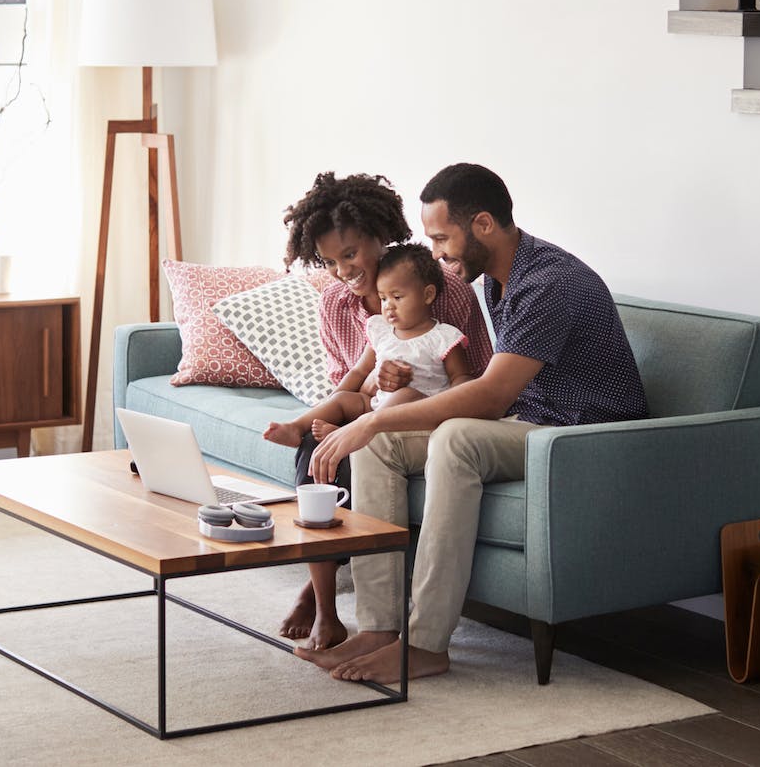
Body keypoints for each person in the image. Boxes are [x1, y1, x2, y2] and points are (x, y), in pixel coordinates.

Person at [299, 163, 648, 683]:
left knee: (453, 438)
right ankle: (379, 628)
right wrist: (374, 424)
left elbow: (489, 395)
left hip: (583, 435)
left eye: (442, 237)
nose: (435, 252)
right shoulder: (500, 281)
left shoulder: (549, 282)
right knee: (378, 446)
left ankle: (425, 645)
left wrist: (368, 422)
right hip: (532, 423)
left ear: (482, 224)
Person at [276, 173, 494, 652]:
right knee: (317, 449)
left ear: (380, 236)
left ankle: (319, 594)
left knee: (355, 444)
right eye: (330, 261)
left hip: (428, 412)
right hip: (367, 407)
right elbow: (347, 381)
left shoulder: (444, 290)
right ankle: (327, 611)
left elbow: (474, 377)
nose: (343, 271)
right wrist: (370, 390)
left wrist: (400, 389)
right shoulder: (334, 302)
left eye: (351, 254)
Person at [265, 244, 472, 447]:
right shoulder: (381, 329)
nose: (388, 306)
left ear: (428, 295)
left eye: (397, 297)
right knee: (344, 399)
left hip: (420, 411)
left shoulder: (443, 337)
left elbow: (460, 377)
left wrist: (452, 405)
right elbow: (359, 370)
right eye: (383, 298)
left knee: (406, 394)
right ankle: (296, 427)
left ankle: (349, 433)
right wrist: (335, 398)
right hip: (377, 405)